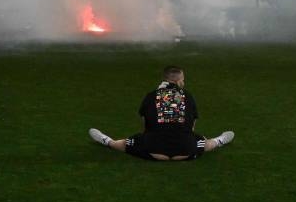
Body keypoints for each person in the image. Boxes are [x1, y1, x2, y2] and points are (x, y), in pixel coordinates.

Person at [89, 66, 234, 161]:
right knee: (205, 143)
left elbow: (145, 127)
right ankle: (219, 141)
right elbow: (191, 128)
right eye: (183, 80)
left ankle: (107, 141)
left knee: (123, 143)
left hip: (153, 151)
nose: (184, 82)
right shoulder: (187, 96)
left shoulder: (151, 95)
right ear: (178, 81)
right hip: (185, 151)